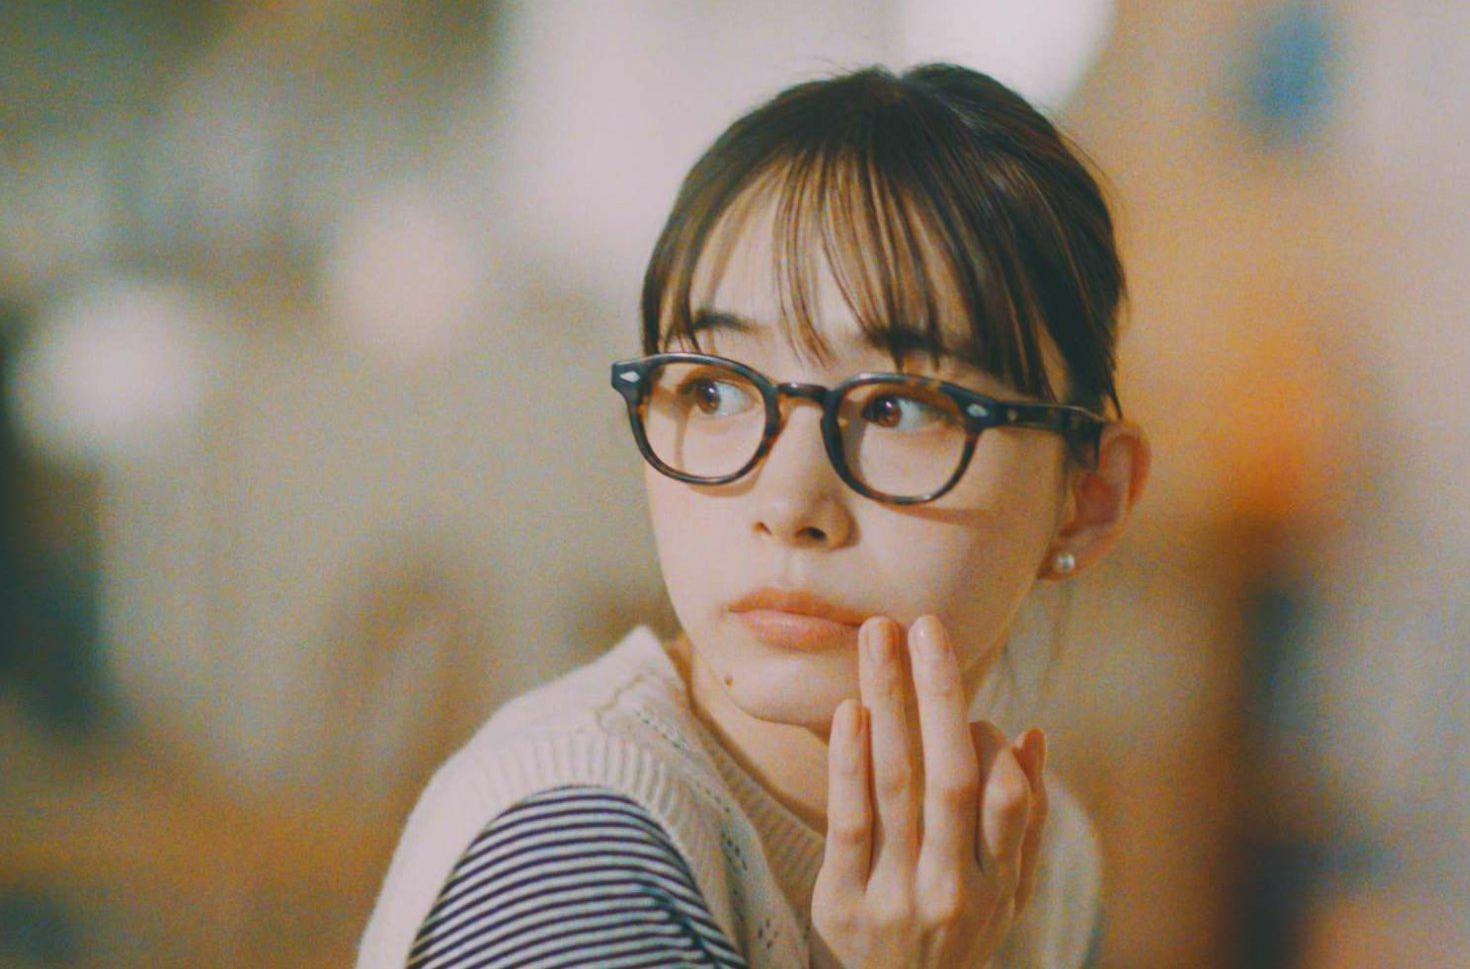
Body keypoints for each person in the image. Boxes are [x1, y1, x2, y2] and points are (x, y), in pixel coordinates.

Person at [357, 63, 1149, 968]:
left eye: (899, 408)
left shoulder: (1039, 854)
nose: (789, 504)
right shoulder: (573, 854)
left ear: (1088, 500)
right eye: (716, 391)